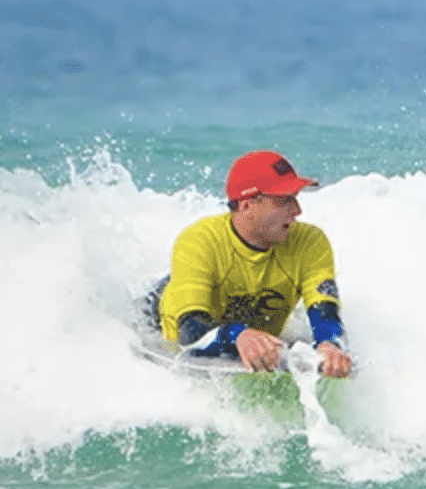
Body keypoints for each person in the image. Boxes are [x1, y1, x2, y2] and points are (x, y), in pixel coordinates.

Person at [147, 150, 353, 377]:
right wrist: (238, 335)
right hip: (162, 318)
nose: (297, 211)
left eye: (296, 198)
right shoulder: (199, 241)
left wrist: (330, 345)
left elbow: (326, 316)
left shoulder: (310, 242)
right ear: (247, 206)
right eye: (284, 201)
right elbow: (190, 334)